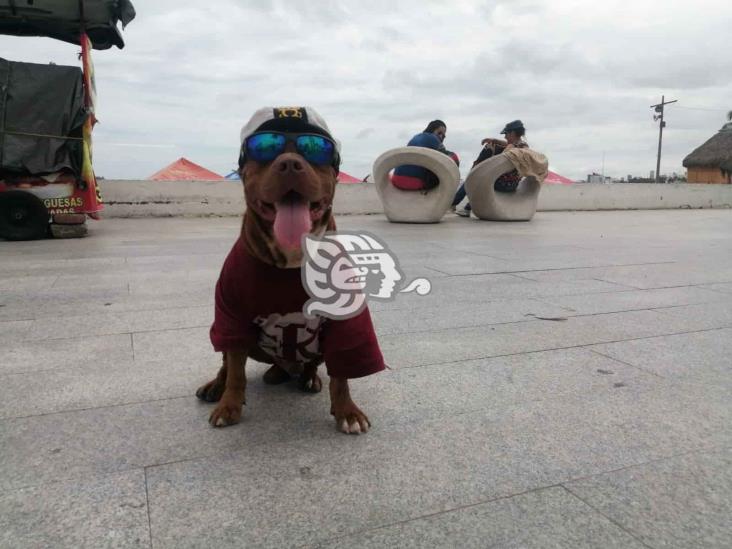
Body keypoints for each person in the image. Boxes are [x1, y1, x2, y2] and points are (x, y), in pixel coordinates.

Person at [452, 120, 529, 217]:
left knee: (475, 179)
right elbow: (510, 145)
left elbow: (498, 163)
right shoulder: (524, 147)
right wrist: (495, 140)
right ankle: (465, 206)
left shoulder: (510, 148)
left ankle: (455, 204)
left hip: (502, 184)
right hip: (513, 183)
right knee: (477, 176)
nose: (505, 137)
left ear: (512, 133)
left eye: (506, 134)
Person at [392, 120, 451, 190]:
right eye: (439, 133)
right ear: (431, 129)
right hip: (415, 182)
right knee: (453, 157)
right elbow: (447, 159)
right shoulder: (433, 139)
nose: (441, 136)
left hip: (396, 179)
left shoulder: (415, 137)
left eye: (443, 136)